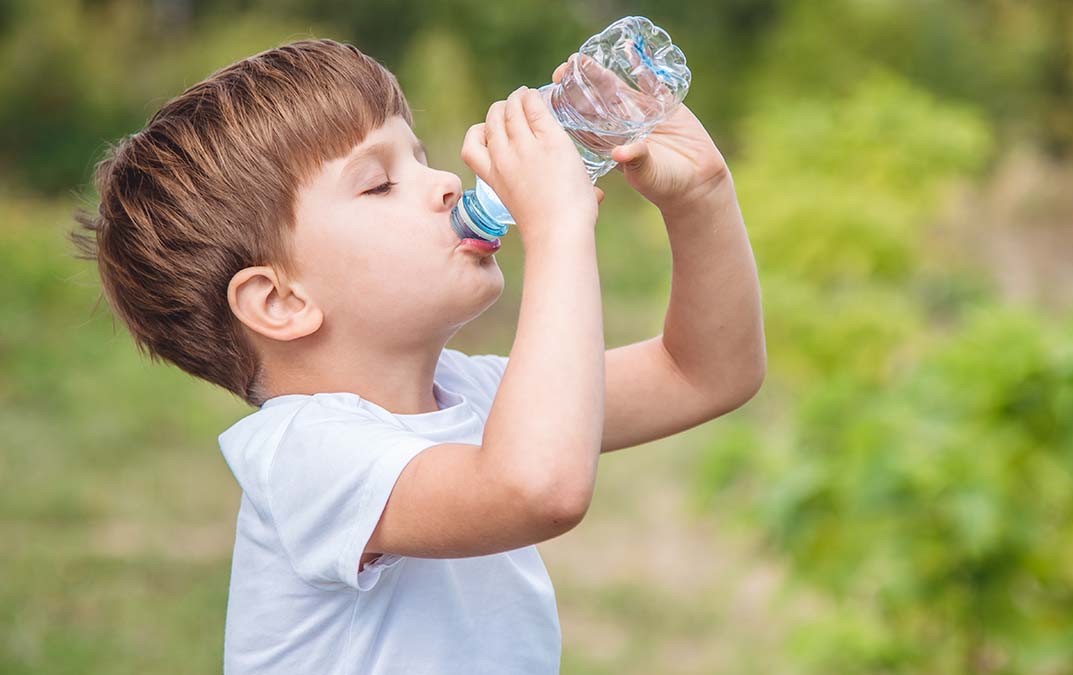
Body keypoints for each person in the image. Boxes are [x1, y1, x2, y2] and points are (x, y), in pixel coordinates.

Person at [72, 38, 765, 674]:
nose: (442, 184)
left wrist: (702, 196)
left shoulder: (474, 397)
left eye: (421, 157)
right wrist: (557, 230)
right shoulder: (307, 454)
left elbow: (704, 372)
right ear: (280, 302)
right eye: (379, 183)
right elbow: (536, 489)